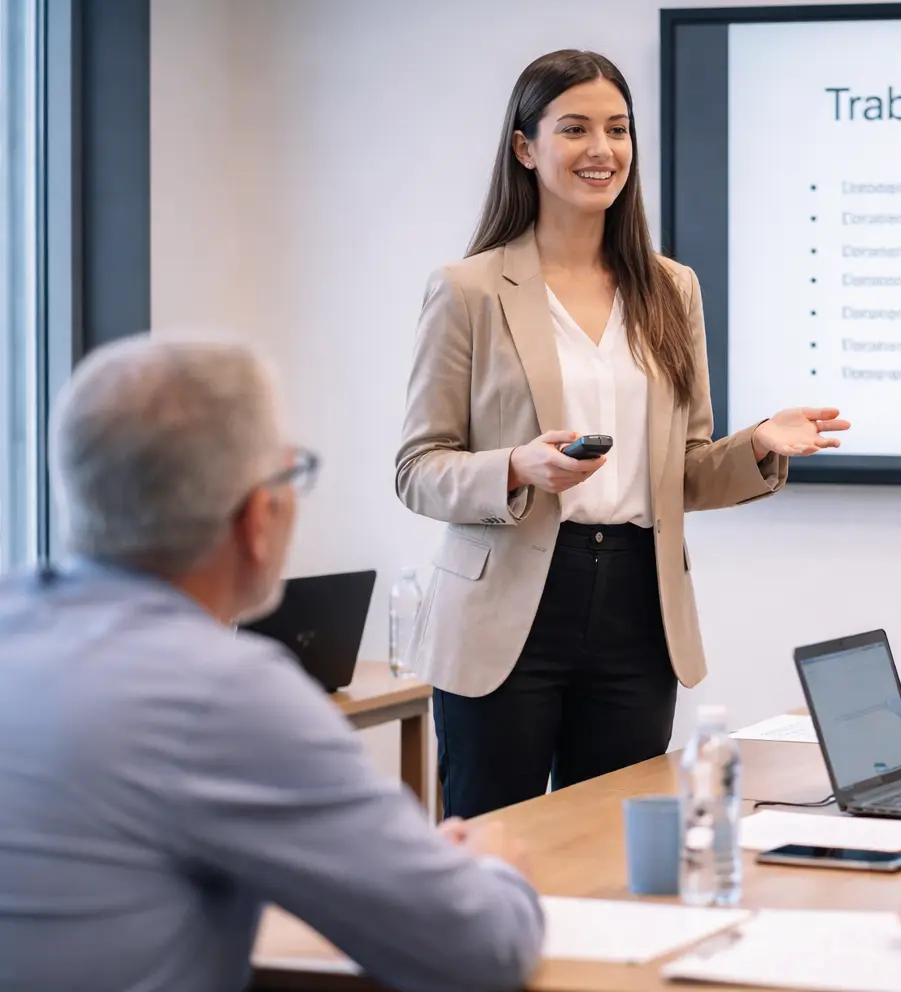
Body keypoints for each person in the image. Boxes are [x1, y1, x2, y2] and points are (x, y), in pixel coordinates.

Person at [0, 337, 544, 992]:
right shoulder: (220, 692)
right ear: (259, 517)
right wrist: (495, 870)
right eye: (291, 476)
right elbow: (478, 951)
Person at [396, 49, 849, 818]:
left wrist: (761, 445)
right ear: (524, 148)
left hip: (640, 604)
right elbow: (418, 468)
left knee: (615, 844)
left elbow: (688, 471)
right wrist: (516, 466)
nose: (601, 150)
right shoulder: (468, 289)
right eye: (574, 129)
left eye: (618, 129)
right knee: (492, 844)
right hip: (508, 605)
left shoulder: (671, 288)